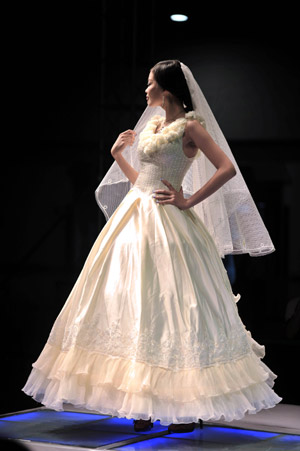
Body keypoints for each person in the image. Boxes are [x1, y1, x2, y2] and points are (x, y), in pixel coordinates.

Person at [22, 60, 282, 434]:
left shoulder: (190, 126)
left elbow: (226, 167)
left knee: (174, 304)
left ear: (168, 89)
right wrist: (118, 156)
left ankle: (184, 405)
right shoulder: (155, 124)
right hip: (134, 218)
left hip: (167, 221)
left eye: (150, 84)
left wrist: (188, 201)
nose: (145, 90)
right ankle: (141, 403)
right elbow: (142, 180)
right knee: (132, 302)